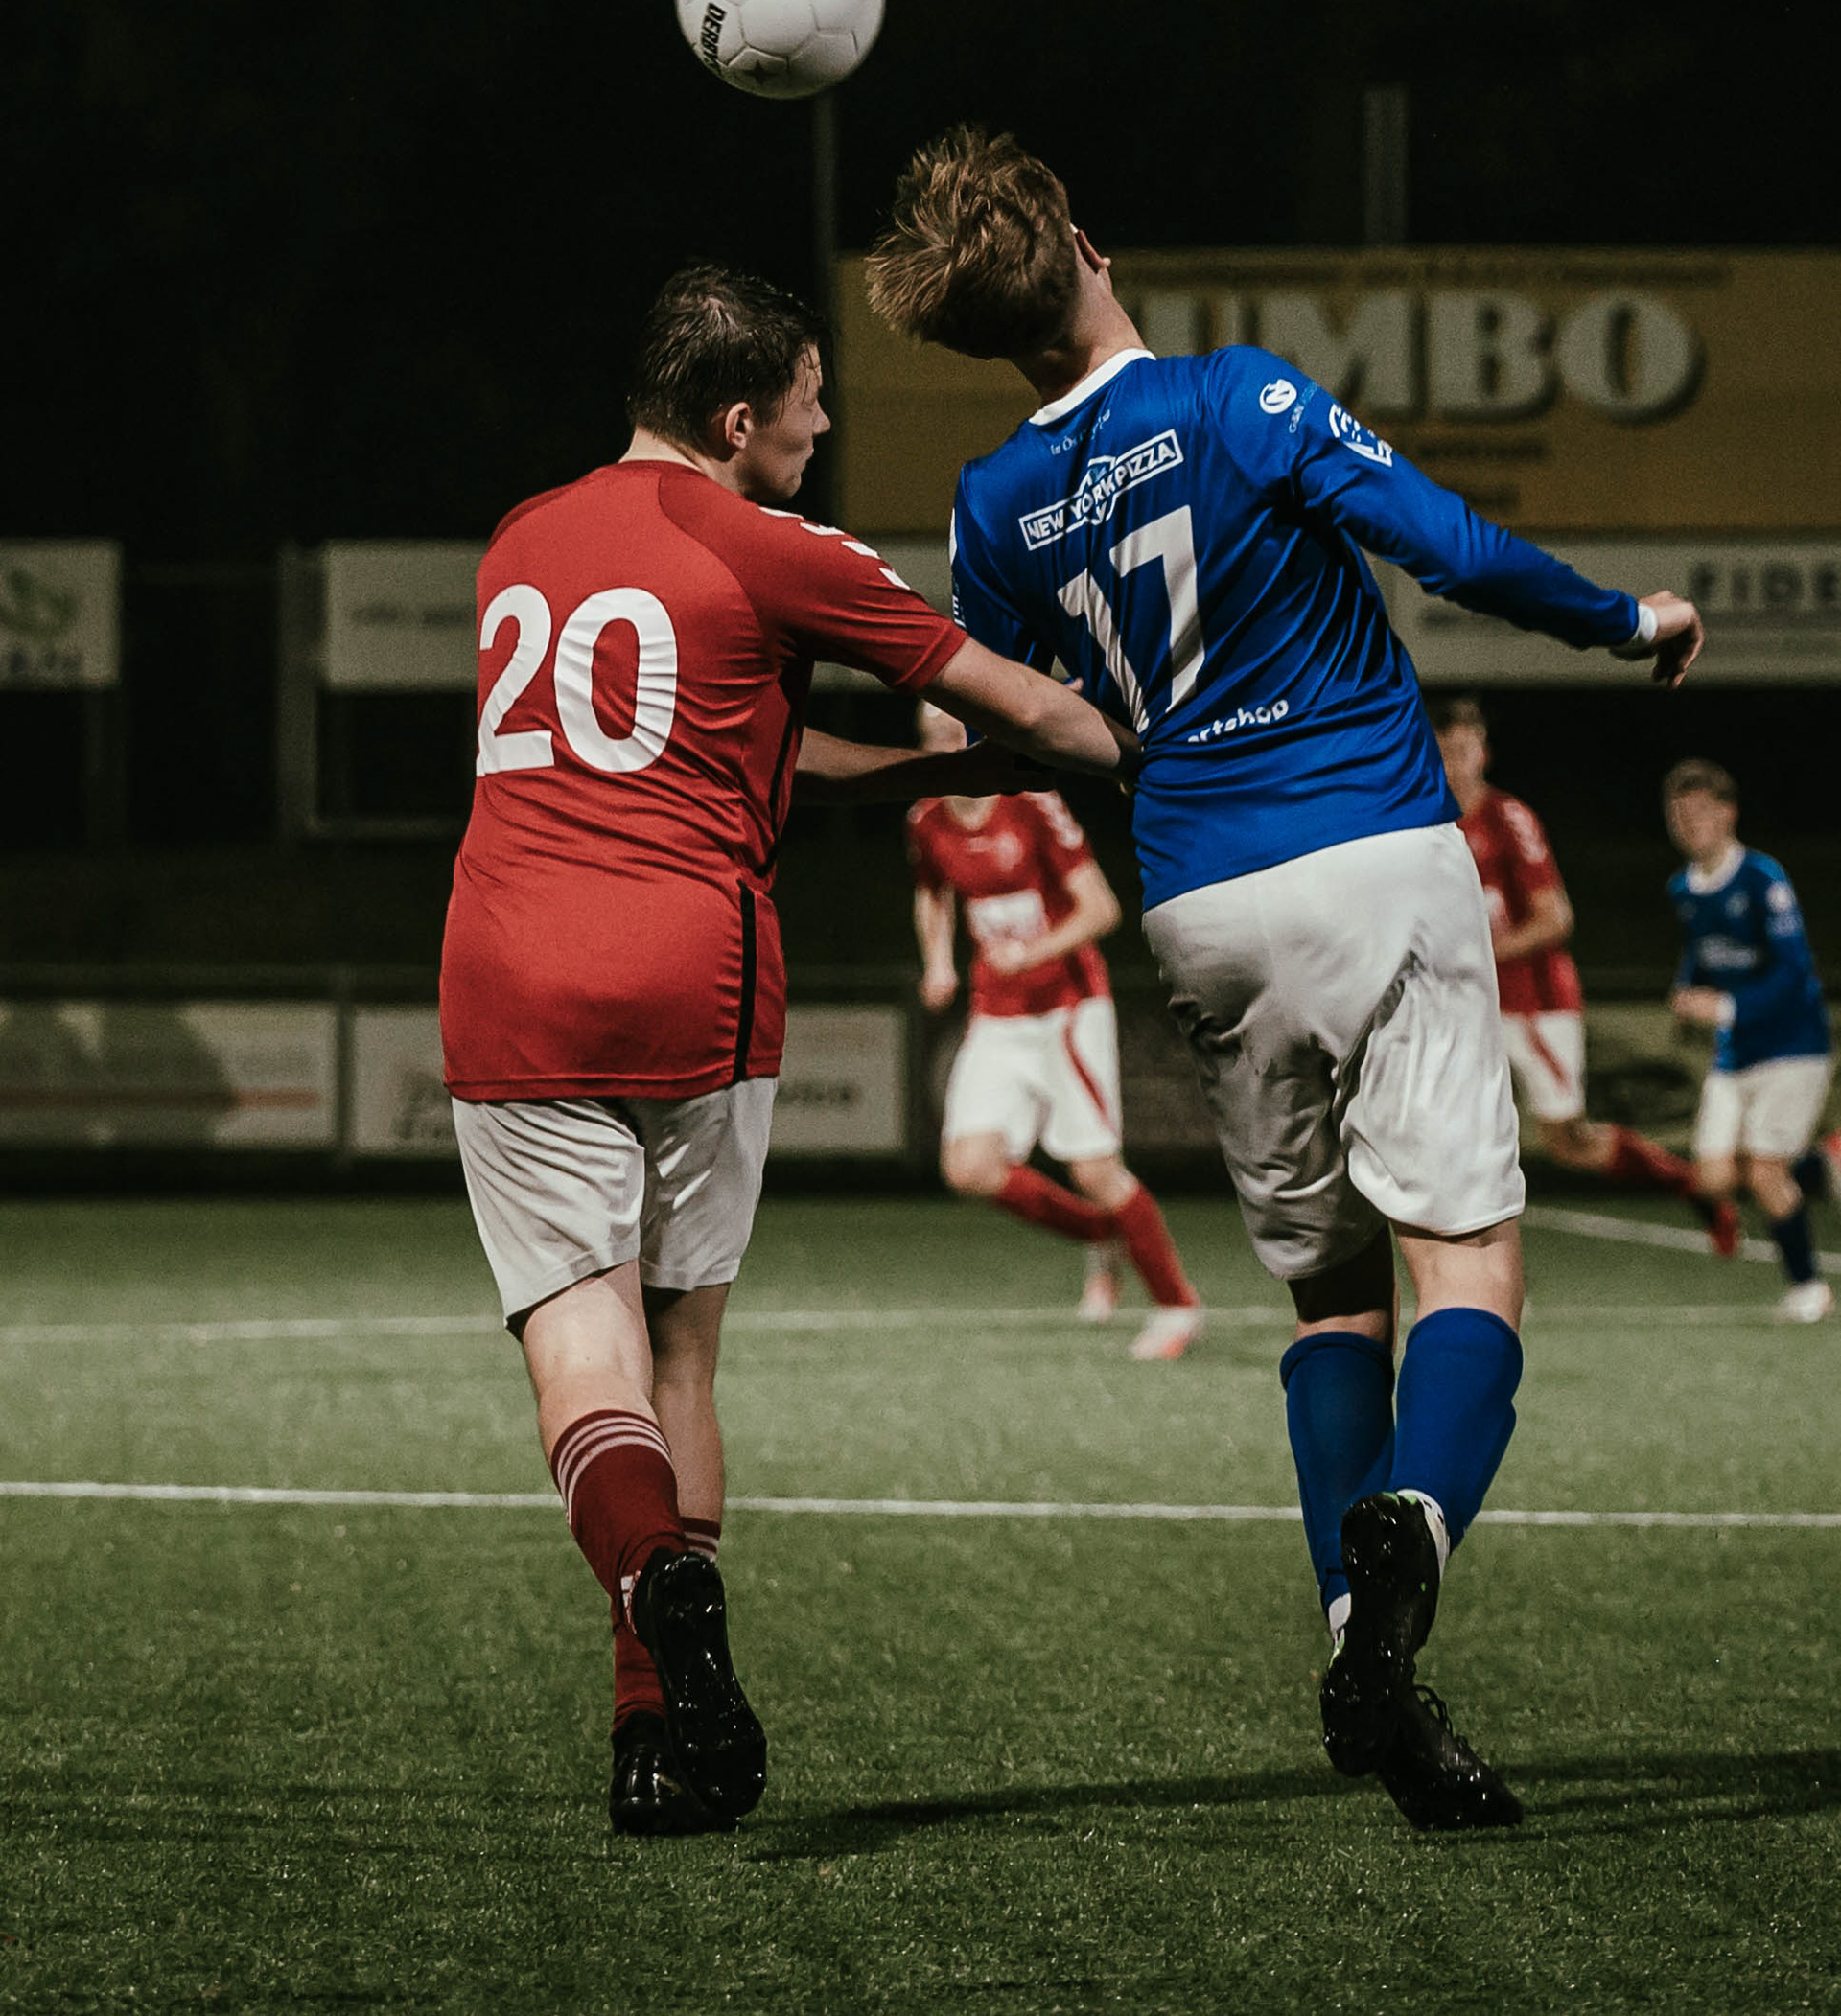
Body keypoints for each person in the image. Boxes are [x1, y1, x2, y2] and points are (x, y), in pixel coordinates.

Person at [865, 127, 1703, 1832]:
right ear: (1088, 247)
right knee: (1468, 1267)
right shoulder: (1237, 396)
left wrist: (857, 778)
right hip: (1373, 853)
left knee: (1331, 1298)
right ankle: (1414, 1535)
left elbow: (1036, 733)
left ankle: (1358, 1644)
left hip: (1198, 899)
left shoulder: (991, 503)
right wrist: (1628, 624)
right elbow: (1448, 546)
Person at [438, 262, 1136, 1839]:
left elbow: (721, 739)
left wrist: (916, 777)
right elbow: (1030, 708)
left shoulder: (519, 540)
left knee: (582, 1363)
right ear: (740, 418)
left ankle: (649, 1692)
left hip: (510, 971)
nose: (825, 434)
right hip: (692, 972)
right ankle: (664, 1672)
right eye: (814, 408)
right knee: (680, 1357)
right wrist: (1178, 754)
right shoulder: (773, 548)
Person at [907, 702, 1204, 1357]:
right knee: (969, 1167)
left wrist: (1032, 954)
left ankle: (1177, 1305)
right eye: (932, 737)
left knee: (1094, 1168)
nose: (944, 748)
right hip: (997, 1013)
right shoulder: (926, 818)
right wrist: (938, 962)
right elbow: (932, 892)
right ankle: (1102, 1234)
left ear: (979, 737)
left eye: (954, 733)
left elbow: (1102, 909)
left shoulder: (1033, 804)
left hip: (1068, 1007)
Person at [1431, 697, 1740, 1254]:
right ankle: (1477, 1258)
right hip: (1469, 1003)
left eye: (1462, 749)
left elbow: (1555, 918)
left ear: (1484, 753)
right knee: (1453, 1127)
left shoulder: (1508, 819)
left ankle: (1688, 1184)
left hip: (1533, 1005)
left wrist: (1479, 952)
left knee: (1569, 1141)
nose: (1453, 763)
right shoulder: (1425, 821)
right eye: (1442, 751)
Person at [1662, 758, 1836, 1320]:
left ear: (1728, 814)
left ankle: (1809, 1288)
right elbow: (1702, 953)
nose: (1688, 823)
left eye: (1700, 811)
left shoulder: (1763, 878)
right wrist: (1687, 990)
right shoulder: (1683, 887)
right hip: (1735, 1053)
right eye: (1678, 813)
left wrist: (1727, 1007)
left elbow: (1794, 969)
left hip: (1793, 1046)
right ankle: (1823, 1163)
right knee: (1711, 1177)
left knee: (1764, 1172)